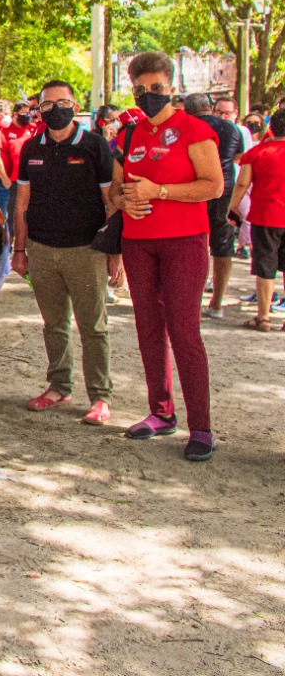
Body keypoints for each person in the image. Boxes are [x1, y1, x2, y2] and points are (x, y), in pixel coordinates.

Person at [109, 52, 223, 462]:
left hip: (185, 242)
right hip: (138, 244)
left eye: (156, 88)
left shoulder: (195, 129)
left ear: (171, 87)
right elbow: (116, 191)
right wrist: (124, 202)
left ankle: (202, 428)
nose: (148, 95)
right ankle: (161, 413)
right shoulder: (128, 134)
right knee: (148, 329)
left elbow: (213, 186)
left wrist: (159, 192)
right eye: (140, 90)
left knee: (185, 332)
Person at [12, 80, 117, 425]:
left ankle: (100, 397)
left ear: (75, 104)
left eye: (63, 102)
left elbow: (111, 201)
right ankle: (59, 386)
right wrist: (20, 248)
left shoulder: (94, 146)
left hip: (86, 251)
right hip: (42, 250)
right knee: (54, 324)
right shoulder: (31, 148)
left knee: (93, 326)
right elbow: (23, 200)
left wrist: (116, 252)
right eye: (47, 104)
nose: (55, 109)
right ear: (38, 109)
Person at [184, 93, 244, 319]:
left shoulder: (186, 126)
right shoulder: (232, 129)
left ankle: (191, 300)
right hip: (224, 191)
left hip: (194, 190)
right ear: (210, 107)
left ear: (187, 111)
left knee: (193, 244)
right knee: (223, 245)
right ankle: (217, 303)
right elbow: (238, 157)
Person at [229, 109, 285, 331]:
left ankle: (263, 317)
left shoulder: (257, 153)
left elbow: (242, 184)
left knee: (265, 267)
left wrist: (233, 207)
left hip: (265, 216)